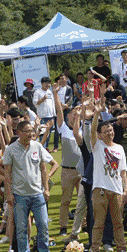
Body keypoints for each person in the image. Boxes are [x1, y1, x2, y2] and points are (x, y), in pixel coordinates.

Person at [3, 120, 58, 252]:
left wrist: (46, 188)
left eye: (32, 131)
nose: (30, 134)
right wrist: (9, 194)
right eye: (27, 131)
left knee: (43, 224)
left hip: (38, 193)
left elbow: (43, 168)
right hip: (19, 195)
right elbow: (7, 174)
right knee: (21, 227)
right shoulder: (10, 149)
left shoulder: (37, 146)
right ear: (19, 132)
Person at [87, 103, 127, 252]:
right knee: (98, 223)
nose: (109, 133)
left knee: (118, 223)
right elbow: (92, 131)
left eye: (111, 131)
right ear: (99, 135)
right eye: (105, 132)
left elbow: (123, 171)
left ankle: (122, 250)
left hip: (117, 190)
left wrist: (125, 190)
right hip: (100, 189)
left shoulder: (119, 148)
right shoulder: (97, 145)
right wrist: (96, 115)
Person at [52, 82, 83, 237]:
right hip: (67, 171)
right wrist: (56, 93)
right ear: (68, 115)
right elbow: (58, 110)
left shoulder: (83, 128)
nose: (76, 115)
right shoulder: (63, 128)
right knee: (66, 200)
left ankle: (83, 224)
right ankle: (63, 226)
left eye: (78, 112)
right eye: (74, 113)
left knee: (82, 201)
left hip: (82, 171)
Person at [33, 77, 58, 152]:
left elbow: (52, 103)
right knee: (43, 133)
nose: (47, 85)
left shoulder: (50, 92)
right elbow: (35, 103)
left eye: (49, 83)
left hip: (51, 116)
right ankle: (42, 148)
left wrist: (54, 114)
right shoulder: (37, 92)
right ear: (42, 83)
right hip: (43, 116)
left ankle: (45, 147)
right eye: (46, 83)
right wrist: (42, 99)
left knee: (49, 133)